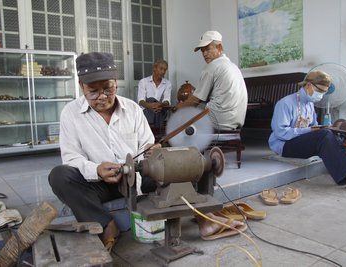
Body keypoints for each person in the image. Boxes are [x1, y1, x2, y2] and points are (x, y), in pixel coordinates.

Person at [48, 52, 242, 252]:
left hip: (139, 178)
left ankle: (205, 220)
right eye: (93, 92)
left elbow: (147, 145)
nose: (102, 97)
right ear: (81, 86)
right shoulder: (70, 114)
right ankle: (106, 225)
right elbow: (71, 157)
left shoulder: (132, 109)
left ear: (116, 82)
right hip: (99, 184)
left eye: (108, 88)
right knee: (59, 176)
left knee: (180, 166)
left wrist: (152, 151)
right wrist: (96, 169)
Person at [268, 70, 346, 190]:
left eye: (324, 92)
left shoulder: (310, 104)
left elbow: (314, 127)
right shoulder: (285, 103)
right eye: (320, 91)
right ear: (309, 85)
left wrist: (325, 128)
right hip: (284, 145)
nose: (321, 95)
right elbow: (280, 133)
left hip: (299, 142)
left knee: (338, 135)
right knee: (324, 135)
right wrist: (310, 130)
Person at [175, 30, 248, 131]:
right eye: (202, 51)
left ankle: (188, 145)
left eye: (208, 49)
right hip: (237, 120)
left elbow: (195, 100)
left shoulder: (211, 67)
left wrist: (178, 107)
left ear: (219, 47)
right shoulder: (232, 66)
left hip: (219, 121)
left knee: (183, 117)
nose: (204, 54)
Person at [137, 58, 172, 128]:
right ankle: (157, 129)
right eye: (161, 68)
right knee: (151, 99)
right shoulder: (143, 82)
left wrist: (160, 104)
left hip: (160, 109)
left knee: (158, 109)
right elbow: (140, 100)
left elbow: (167, 100)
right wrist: (150, 106)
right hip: (146, 110)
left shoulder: (168, 83)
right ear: (154, 68)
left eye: (165, 70)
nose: (163, 72)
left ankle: (151, 130)